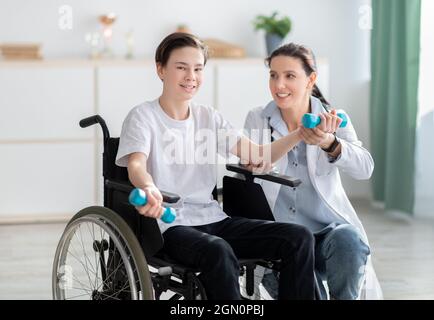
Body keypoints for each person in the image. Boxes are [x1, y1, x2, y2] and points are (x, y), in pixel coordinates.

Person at [115, 33, 322, 300]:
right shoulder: (143, 116)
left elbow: (259, 155)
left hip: (214, 219)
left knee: (299, 238)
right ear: (161, 69)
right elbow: (136, 164)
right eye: (181, 67)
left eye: (198, 69)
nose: (191, 76)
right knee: (219, 250)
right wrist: (149, 187)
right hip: (170, 227)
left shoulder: (208, 117)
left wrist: (301, 133)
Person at [243, 43, 383, 300]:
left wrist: (329, 143)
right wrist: (297, 136)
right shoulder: (258, 118)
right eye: (273, 75)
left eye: (290, 76)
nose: (279, 85)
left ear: (311, 79)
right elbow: (252, 163)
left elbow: (365, 168)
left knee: (349, 240)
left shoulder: (334, 118)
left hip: (328, 233)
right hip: (282, 239)